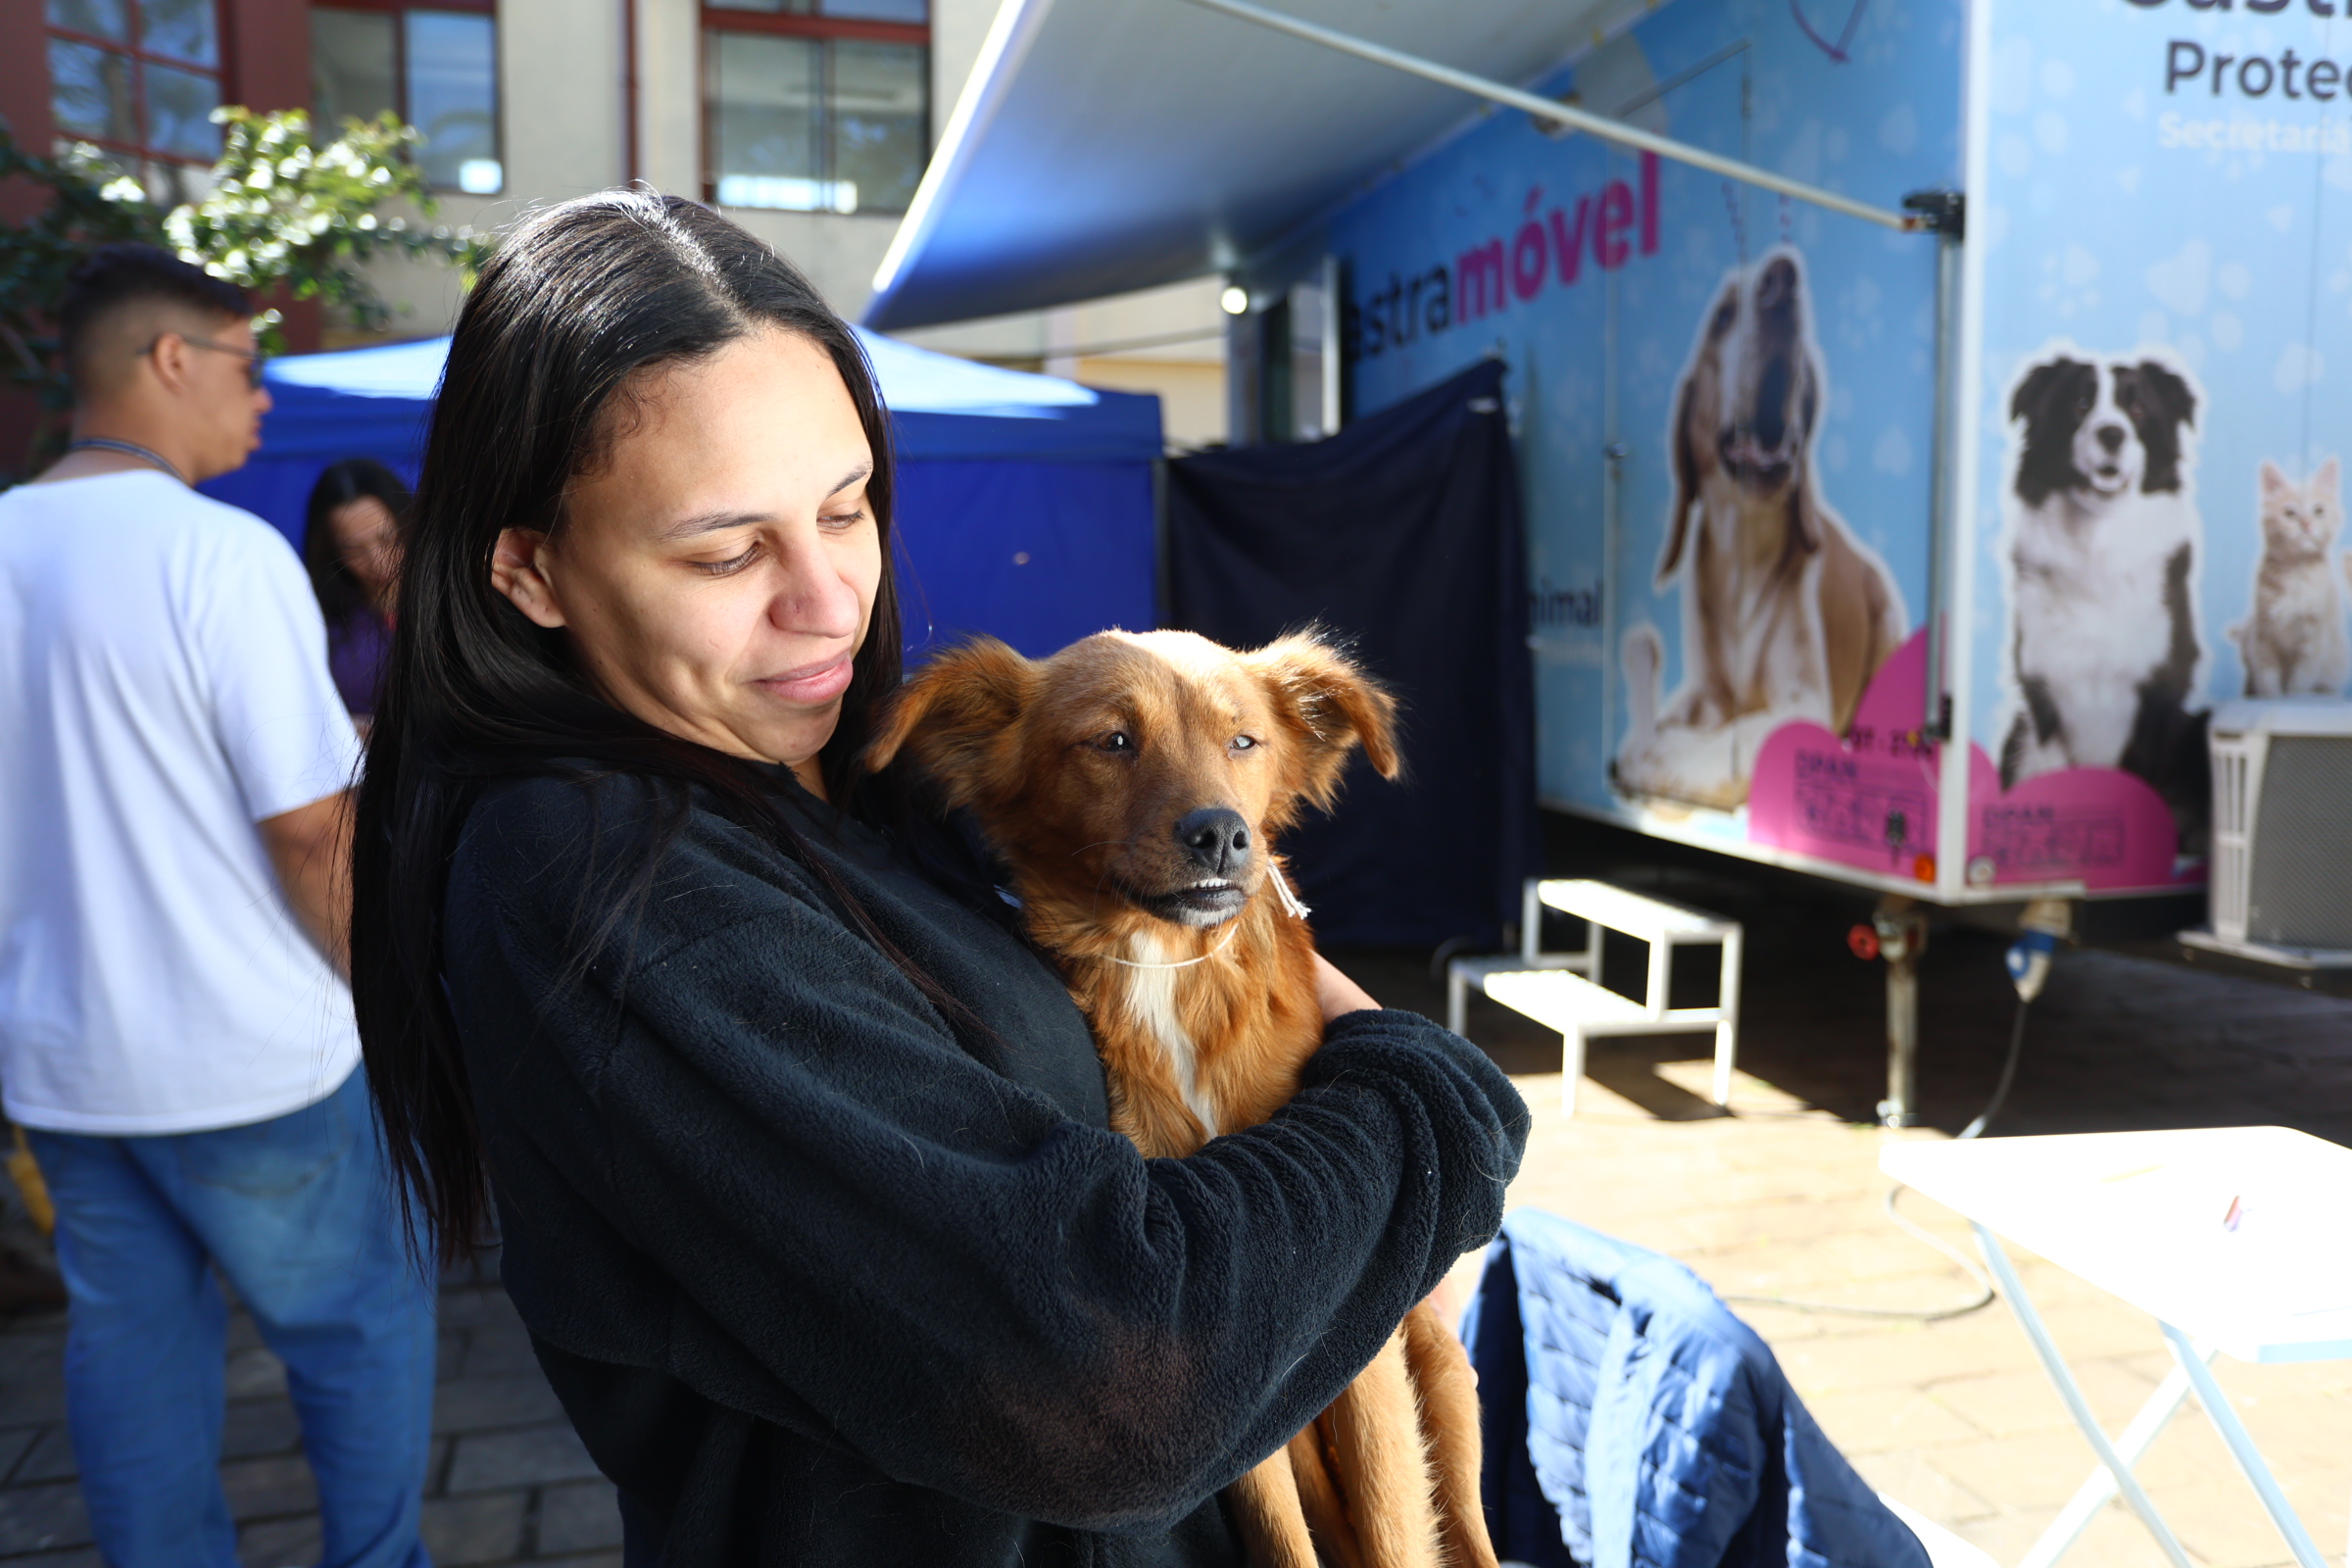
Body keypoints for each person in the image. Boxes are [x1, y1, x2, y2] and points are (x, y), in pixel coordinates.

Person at [352, 190, 1530, 1567]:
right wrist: (1427, 1104)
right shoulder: (610, 885)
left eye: (845, 508)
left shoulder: (832, 779)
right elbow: (1117, 1390)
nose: (827, 602)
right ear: (532, 570)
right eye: (727, 550)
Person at [0, 245, 437, 1568]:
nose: (261, 400)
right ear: (170, 358)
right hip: (254, 1057)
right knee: (359, 1332)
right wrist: (398, 1010)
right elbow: (310, 829)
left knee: (131, 1357)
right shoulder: (220, 554)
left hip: (65, 1064)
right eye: (249, 367)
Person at [303, 457, 410, 718]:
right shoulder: (319, 624)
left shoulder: (456, 602)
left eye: (388, 539)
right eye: (353, 549)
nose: (378, 562)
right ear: (332, 554)